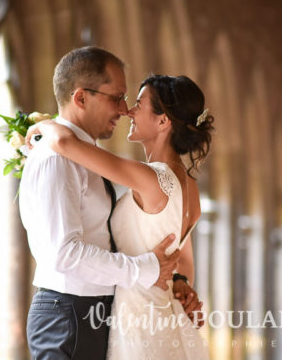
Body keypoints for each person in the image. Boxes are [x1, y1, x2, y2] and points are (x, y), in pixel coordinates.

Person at [29, 73, 213, 358]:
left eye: (138, 104)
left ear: (163, 121)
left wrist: (44, 125)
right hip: (160, 313)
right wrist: (181, 283)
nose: (128, 110)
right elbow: (182, 258)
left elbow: (65, 144)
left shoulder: (152, 178)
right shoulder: (190, 186)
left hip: (137, 318)